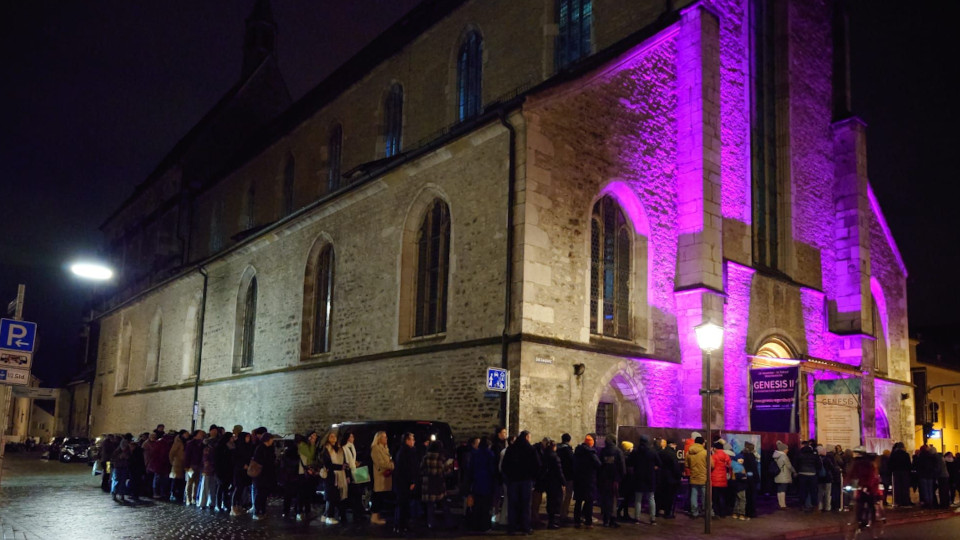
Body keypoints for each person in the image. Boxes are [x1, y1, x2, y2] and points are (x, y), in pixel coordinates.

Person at [501, 430, 540, 534]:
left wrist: (510, 476)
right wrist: (532, 477)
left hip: (513, 481)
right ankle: (525, 527)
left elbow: (504, 466)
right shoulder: (530, 449)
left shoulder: (511, 449)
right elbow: (537, 465)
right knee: (525, 505)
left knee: (512, 505)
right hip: (526, 481)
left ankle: (512, 527)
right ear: (527, 437)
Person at [628, 434, 660, 525]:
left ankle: (637, 518)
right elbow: (659, 463)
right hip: (650, 477)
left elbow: (629, 463)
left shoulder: (635, 452)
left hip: (638, 477)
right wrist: (654, 468)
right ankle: (652, 519)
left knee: (638, 499)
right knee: (651, 498)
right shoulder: (652, 452)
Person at [420, 440, 453, 529]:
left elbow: (421, 469)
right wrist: (449, 468)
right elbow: (444, 471)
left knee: (430, 505)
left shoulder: (426, 457)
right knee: (444, 504)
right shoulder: (440, 458)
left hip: (428, 483)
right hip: (438, 483)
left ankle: (431, 523)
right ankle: (449, 522)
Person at [597, 434, 625, 527]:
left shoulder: (603, 451)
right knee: (613, 499)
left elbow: (600, 465)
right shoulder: (618, 451)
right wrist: (621, 477)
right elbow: (622, 466)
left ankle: (605, 519)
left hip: (604, 479)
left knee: (605, 499)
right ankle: (612, 520)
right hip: (614, 479)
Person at [394, 432, 419, 535]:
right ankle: (401, 525)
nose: (414, 441)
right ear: (407, 440)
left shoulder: (406, 451)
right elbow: (408, 468)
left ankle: (402, 524)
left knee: (404, 504)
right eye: (412, 439)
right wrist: (412, 481)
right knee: (403, 504)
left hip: (403, 482)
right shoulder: (406, 452)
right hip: (404, 483)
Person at [573, 434, 601, 528]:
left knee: (578, 501)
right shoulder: (591, 453)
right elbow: (598, 464)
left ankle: (577, 520)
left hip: (578, 479)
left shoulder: (577, 451)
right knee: (589, 501)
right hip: (589, 480)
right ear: (591, 443)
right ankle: (588, 521)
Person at [320, 431, 347, 525]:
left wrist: (343, 466)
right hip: (331, 475)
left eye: (334, 436)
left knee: (333, 496)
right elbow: (327, 464)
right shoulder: (326, 449)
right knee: (331, 496)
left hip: (339, 475)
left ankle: (325, 515)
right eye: (331, 436)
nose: (333, 438)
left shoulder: (339, 449)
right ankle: (329, 516)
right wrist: (340, 467)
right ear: (328, 438)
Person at [540, 439, 565, 529]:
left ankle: (551, 521)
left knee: (550, 501)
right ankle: (553, 522)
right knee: (556, 501)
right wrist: (563, 482)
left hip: (548, 482)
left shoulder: (545, 455)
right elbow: (559, 471)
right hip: (555, 482)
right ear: (554, 447)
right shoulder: (555, 457)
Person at [369, 430, 393, 525]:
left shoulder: (385, 448)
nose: (386, 438)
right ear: (379, 438)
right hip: (380, 476)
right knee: (377, 497)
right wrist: (392, 465)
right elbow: (380, 463)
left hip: (385, 476)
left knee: (381, 496)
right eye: (384, 436)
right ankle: (374, 517)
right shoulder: (375, 448)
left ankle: (377, 516)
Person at [250, 433, 276, 520]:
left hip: (267, 474)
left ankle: (262, 511)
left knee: (264, 494)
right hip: (261, 475)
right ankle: (257, 512)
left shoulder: (269, 448)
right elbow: (261, 461)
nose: (272, 441)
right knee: (260, 493)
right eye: (271, 439)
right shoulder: (260, 448)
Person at [297, 431, 320, 521]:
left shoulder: (310, 445)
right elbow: (310, 455)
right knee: (302, 493)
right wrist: (313, 444)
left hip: (309, 472)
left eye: (315, 436)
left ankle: (307, 510)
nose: (314, 438)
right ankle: (299, 511)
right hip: (303, 472)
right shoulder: (303, 445)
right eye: (313, 436)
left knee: (308, 492)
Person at [230, 432, 254, 516]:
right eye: (246, 437)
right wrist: (242, 465)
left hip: (246, 471)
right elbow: (234, 459)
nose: (248, 439)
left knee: (242, 489)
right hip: (239, 471)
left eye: (249, 437)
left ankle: (239, 505)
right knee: (238, 489)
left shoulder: (249, 447)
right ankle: (233, 507)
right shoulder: (237, 447)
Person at [658, 439, 683, 519]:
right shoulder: (672, 454)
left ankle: (658, 510)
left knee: (662, 494)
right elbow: (675, 466)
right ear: (672, 444)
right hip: (671, 478)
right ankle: (667, 513)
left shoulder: (661, 452)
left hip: (662, 476)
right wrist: (679, 476)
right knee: (670, 496)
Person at [279, 434, 303, 518]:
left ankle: (286, 511)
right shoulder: (296, 453)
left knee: (287, 496)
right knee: (296, 494)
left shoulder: (285, 454)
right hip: (295, 476)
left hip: (288, 477)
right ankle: (297, 511)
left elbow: (282, 466)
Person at [557, 433, 576, 524]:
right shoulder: (568, 451)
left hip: (559, 476)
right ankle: (564, 515)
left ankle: (560, 512)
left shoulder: (557, 449)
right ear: (569, 440)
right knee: (567, 496)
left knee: (561, 495)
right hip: (568, 477)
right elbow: (573, 463)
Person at [686, 436, 707, 517]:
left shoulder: (689, 452)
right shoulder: (705, 452)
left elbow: (687, 465)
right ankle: (706, 511)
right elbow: (711, 465)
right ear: (703, 443)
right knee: (705, 495)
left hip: (693, 476)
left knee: (694, 494)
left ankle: (694, 512)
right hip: (703, 476)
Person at [796, 440, 820, 511]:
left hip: (802, 474)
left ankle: (802, 505)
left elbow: (796, 464)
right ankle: (814, 505)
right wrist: (816, 471)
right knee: (813, 491)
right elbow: (819, 464)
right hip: (812, 474)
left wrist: (797, 471)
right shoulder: (814, 455)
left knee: (802, 491)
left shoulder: (800, 455)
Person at [772, 440, 796, 509]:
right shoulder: (784, 456)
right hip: (784, 475)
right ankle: (783, 505)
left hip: (777, 474)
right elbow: (789, 466)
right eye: (786, 449)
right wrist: (794, 471)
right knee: (783, 490)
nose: (787, 450)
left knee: (779, 490)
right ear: (783, 449)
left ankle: (780, 504)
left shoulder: (776, 455)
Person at [184, 429, 206, 505]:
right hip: (192, 465)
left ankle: (194, 498)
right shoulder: (190, 444)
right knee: (190, 482)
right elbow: (187, 455)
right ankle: (188, 498)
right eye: (200, 433)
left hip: (199, 465)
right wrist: (187, 466)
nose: (202, 435)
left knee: (196, 482)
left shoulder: (202, 444)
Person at [710, 441, 731, 518]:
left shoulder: (713, 456)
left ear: (715, 448)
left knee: (715, 497)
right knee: (722, 496)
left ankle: (716, 512)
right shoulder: (726, 456)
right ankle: (723, 512)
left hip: (714, 480)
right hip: (723, 480)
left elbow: (711, 466)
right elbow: (730, 465)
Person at [739, 441, 759, 519]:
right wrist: (757, 478)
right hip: (751, 479)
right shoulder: (751, 456)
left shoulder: (741, 455)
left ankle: (743, 511)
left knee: (744, 496)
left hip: (743, 477)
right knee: (751, 496)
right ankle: (750, 512)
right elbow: (754, 468)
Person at [151, 431, 173, 500]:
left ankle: (159, 493)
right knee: (159, 479)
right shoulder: (162, 443)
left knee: (161, 480)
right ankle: (158, 493)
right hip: (161, 465)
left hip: (162, 465)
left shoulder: (162, 443)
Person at [888, 442, 912, 506]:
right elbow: (908, 464)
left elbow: (890, 464)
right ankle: (905, 500)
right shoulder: (906, 454)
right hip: (905, 472)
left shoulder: (894, 454)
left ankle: (898, 501)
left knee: (897, 487)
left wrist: (892, 470)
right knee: (905, 487)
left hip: (896, 472)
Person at [169, 430, 189, 503]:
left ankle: (178, 493)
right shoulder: (178, 443)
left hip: (182, 464)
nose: (187, 435)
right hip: (177, 463)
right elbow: (171, 453)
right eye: (186, 434)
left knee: (180, 480)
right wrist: (173, 462)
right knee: (176, 479)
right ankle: (173, 493)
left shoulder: (185, 442)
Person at [617, 440, 634, 521]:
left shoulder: (623, 456)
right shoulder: (627, 457)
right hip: (627, 480)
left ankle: (623, 512)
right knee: (627, 498)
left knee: (626, 498)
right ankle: (622, 513)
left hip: (625, 480)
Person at [817, 445, 838, 512]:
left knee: (820, 493)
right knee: (828, 493)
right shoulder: (827, 459)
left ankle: (820, 506)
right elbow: (832, 468)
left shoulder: (817, 459)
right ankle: (827, 507)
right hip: (828, 478)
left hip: (820, 478)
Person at [730, 451, 747, 520]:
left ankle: (735, 513)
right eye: (740, 458)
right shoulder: (739, 467)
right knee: (742, 499)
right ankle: (741, 514)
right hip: (740, 485)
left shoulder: (733, 465)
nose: (741, 460)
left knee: (737, 499)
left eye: (742, 458)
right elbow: (742, 476)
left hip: (735, 485)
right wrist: (745, 476)